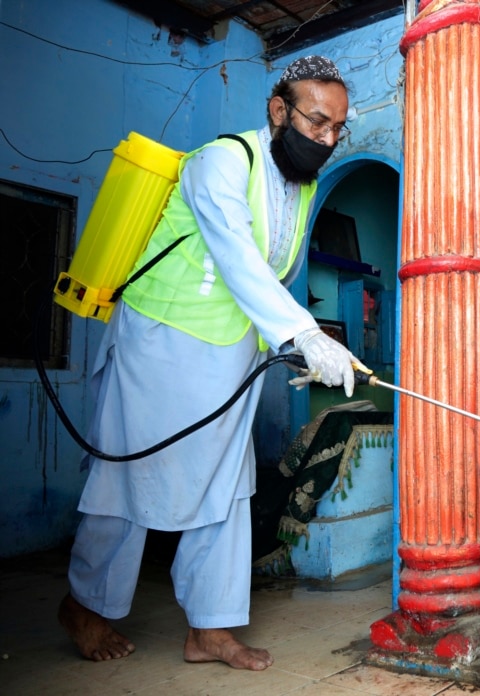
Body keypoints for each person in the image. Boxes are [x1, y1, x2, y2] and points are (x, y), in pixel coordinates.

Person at [58, 55, 363, 669]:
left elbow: (273, 278)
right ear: (279, 110)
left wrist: (294, 343)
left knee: (227, 486)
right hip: (161, 341)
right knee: (128, 473)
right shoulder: (222, 161)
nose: (326, 139)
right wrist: (305, 334)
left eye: (338, 129)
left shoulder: (298, 189)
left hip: (230, 356)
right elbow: (235, 257)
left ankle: (211, 629)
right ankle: (85, 605)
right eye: (316, 122)